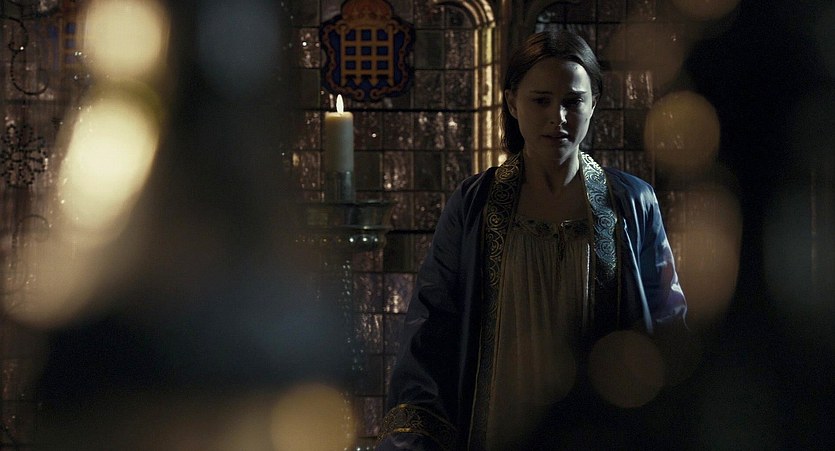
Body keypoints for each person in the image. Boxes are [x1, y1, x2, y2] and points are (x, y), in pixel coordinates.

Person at [376, 30, 687, 450]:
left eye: (572, 101)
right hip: (498, 425)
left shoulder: (632, 202)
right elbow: (432, 326)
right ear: (511, 102)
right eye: (541, 100)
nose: (557, 117)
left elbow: (668, 323)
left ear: (594, 102)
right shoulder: (474, 204)